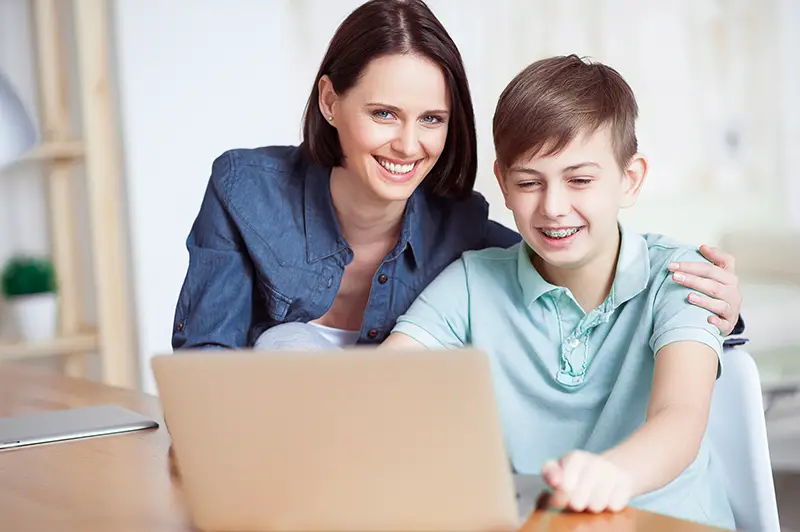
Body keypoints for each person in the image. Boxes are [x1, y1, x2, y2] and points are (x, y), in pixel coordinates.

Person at [171, 0, 743, 355]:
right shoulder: (245, 190)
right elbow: (207, 361)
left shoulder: (461, 227)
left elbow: (575, 264)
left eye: (432, 120)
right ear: (329, 101)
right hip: (273, 451)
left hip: (400, 455)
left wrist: (714, 306)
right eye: (383, 114)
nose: (408, 144)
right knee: (283, 345)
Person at [381, 55, 737, 529]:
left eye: (580, 180)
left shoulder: (683, 276)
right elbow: (379, 385)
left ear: (629, 180)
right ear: (504, 185)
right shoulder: (471, 284)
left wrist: (613, 473)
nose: (553, 207)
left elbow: (680, 417)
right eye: (529, 182)